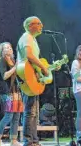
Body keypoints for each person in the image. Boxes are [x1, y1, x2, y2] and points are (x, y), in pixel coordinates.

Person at [16, 16, 49, 146]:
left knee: (34, 111)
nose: (42, 25)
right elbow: (29, 55)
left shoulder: (33, 39)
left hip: (32, 76)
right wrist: (42, 68)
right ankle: (28, 141)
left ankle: (34, 140)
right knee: (30, 111)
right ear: (30, 26)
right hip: (27, 77)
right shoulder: (27, 37)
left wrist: (46, 68)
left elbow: (34, 60)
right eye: (39, 23)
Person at [0, 42, 24, 146]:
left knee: (16, 116)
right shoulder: (2, 60)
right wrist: (15, 67)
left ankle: (13, 140)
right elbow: (5, 76)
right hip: (7, 92)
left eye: (10, 47)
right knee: (9, 116)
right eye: (6, 48)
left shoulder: (13, 60)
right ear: (2, 51)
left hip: (16, 91)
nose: (9, 49)